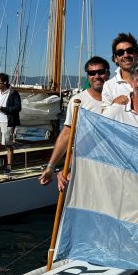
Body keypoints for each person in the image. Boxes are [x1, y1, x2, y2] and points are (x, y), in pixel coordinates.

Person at [39, 56, 110, 188]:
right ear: (88, 76)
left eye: (101, 72)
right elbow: (67, 134)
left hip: (111, 165)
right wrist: (51, 166)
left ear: (108, 73)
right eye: (92, 73)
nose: (97, 76)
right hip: (85, 165)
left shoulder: (116, 99)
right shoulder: (78, 101)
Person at [0, 73, 22, 176]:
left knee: (8, 145)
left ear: (5, 82)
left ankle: (9, 167)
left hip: (7, 122)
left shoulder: (13, 93)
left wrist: (2, 109)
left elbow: (18, 108)